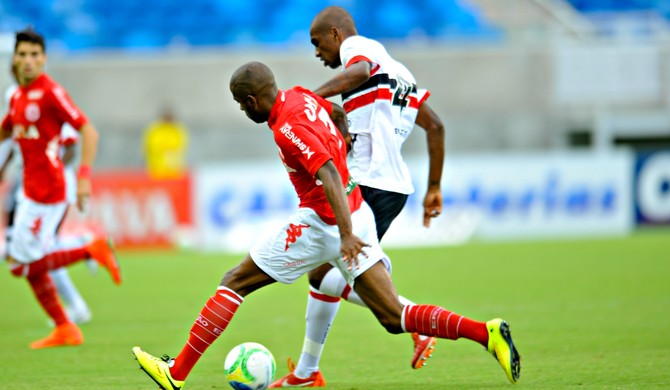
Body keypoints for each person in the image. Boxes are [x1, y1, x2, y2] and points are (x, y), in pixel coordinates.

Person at [132, 61, 520, 389]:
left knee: (235, 280)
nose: (241, 111)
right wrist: (345, 135)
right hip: (357, 210)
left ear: (252, 102)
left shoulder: (287, 128)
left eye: (240, 105)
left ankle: (176, 373)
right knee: (391, 317)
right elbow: (335, 110)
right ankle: (485, 332)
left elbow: (329, 173)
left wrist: (345, 233)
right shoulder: (300, 95)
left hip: (326, 222)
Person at [271, 6, 446, 387]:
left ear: (336, 34)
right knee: (323, 273)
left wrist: (311, 99)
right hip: (392, 185)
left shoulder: (360, 49)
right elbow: (435, 126)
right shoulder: (400, 72)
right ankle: (306, 372)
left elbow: (360, 71)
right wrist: (434, 187)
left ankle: (414, 320)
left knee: (338, 274)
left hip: (370, 180)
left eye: (318, 44)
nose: (318, 54)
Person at [0, 28, 121, 349]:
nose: (28, 61)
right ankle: (66, 326)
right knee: (26, 263)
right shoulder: (15, 95)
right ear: (15, 58)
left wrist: (83, 177)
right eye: (22, 54)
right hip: (29, 190)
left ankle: (90, 250)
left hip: (49, 191)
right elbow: (7, 132)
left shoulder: (51, 92)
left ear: (44, 59)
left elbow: (88, 131)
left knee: (19, 264)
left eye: (34, 55)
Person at [2, 62, 93, 325]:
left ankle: (85, 252)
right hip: (26, 183)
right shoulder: (16, 97)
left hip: (51, 187)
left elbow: (73, 140)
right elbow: (11, 138)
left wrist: (51, 170)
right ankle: (73, 306)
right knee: (30, 252)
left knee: (32, 255)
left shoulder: (49, 97)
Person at [141, 106, 189, 179]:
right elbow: (149, 147)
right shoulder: (154, 130)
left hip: (175, 172)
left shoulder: (178, 130)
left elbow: (181, 147)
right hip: (156, 171)